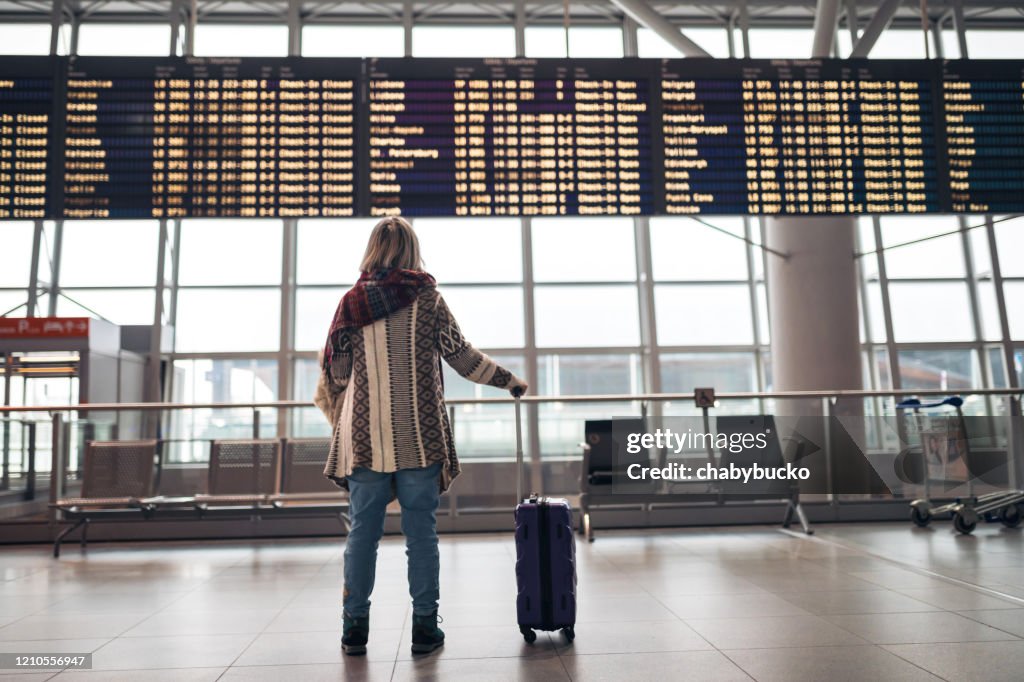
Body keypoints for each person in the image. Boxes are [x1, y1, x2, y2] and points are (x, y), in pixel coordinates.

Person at [314, 216, 527, 656]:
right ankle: (425, 627)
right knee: (421, 535)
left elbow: (338, 373)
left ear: (372, 249)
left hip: (364, 437)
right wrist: (508, 380)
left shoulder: (351, 304)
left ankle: (354, 628)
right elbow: (462, 357)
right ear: (412, 250)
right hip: (419, 434)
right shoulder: (427, 299)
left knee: (362, 535)